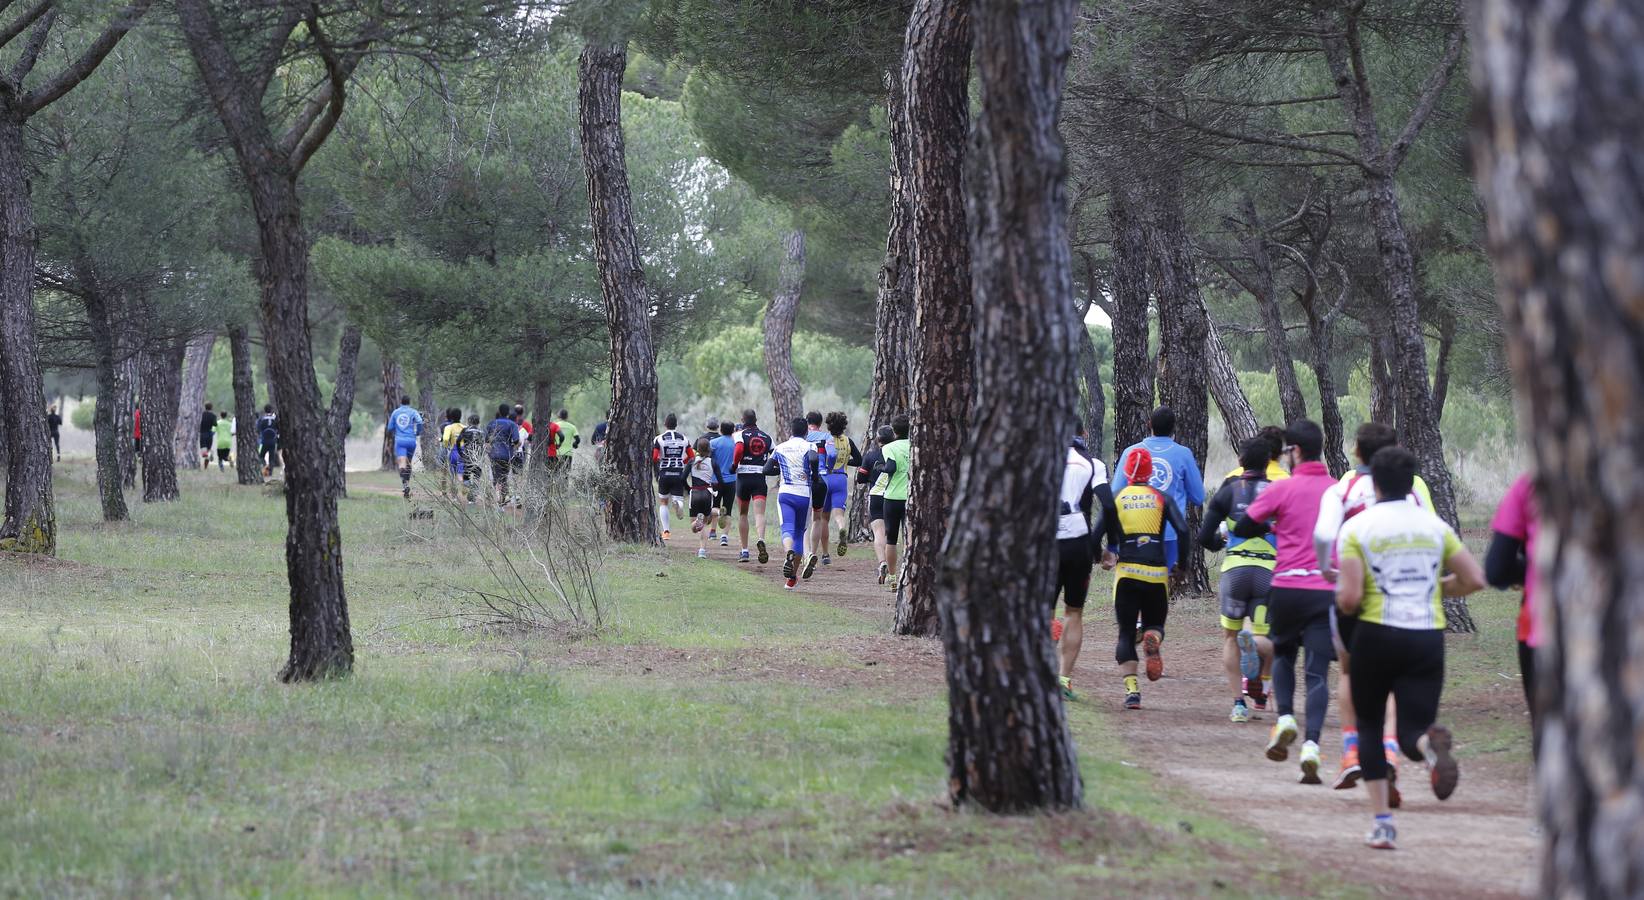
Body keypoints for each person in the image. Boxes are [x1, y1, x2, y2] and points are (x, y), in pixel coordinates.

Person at [1336, 446, 1484, 850]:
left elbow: (1349, 600)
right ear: (1413, 482)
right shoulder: (1434, 527)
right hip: (1425, 637)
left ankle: (1383, 823)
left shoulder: (1358, 528)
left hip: (1375, 634)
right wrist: (1437, 587)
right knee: (1411, 731)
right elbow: (1474, 579)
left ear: (1374, 483)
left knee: (1369, 726)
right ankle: (1427, 749)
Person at [1314, 422, 1436, 789]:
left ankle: (1351, 750)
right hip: (1402, 597)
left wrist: (1327, 569)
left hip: (1355, 593)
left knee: (1350, 673)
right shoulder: (1413, 487)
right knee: (1397, 682)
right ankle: (1388, 749)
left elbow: (1323, 533)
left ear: (1357, 452)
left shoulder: (1345, 487)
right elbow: (1431, 527)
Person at [1232, 419, 1338, 784]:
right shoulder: (1338, 491)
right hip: (1326, 591)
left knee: (1283, 653)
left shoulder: (1283, 489)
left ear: (1295, 451)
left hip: (1287, 588)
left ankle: (1286, 719)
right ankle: (1312, 747)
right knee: (1318, 673)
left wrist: (1274, 525)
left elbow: (1243, 526)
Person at [1099, 447, 1187, 710]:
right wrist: (1183, 565)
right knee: (1155, 625)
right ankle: (1153, 637)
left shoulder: (1116, 498)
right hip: (1156, 573)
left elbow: (1095, 536)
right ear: (1151, 473)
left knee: (1126, 634)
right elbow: (1182, 530)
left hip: (1127, 573)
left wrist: (1101, 556)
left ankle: (1132, 692)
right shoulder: (1162, 497)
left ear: (1126, 471)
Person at [1200, 437, 1278, 724]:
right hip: (1268, 573)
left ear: (1240, 461)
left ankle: (1238, 705)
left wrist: (1221, 542)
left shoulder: (1228, 490)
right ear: (1268, 461)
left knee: (1230, 638)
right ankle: (1259, 665)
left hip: (1235, 570)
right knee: (1265, 636)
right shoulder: (1277, 489)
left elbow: (1204, 537)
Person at [1112, 405, 1205, 572]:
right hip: (1169, 534)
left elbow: (1115, 493)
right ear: (1173, 427)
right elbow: (1198, 497)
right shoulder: (1184, 454)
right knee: (1160, 585)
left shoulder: (1130, 452)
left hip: (1132, 532)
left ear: (1149, 424)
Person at [1486, 473, 1539, 757]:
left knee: (1548, 730)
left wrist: (1535, 572)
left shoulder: (1530, 485)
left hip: (1542, 627)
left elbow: (1497, 569)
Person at [1055, 421, 1108, 700]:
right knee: (1073, 612)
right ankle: (1064, 680)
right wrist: (1100, 546)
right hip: (1078, 540)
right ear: (1084, 433)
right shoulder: (1092, 463)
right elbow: (1107, 506)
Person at [766, 417, 823, 590]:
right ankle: (792, 578)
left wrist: (781, 469)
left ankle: (788, 553)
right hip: (804, 494)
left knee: (787, 528)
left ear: (791, 430)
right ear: (806, 431)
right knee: (799, 532)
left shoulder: (780, 447)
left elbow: (766, 469)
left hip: (786, 492)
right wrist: (814, 475)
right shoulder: (810, 446)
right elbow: (813, 459)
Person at [732, 410, 774, 564]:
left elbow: (738, 450)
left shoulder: (739, 435)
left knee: (743, 514)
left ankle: (744, 551)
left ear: (743, 420)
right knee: (759, 514)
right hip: (759, 478)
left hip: (743, 477)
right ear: (756, 420)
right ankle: (761, 539)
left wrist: (734, 465)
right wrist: (769, 468)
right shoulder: (767, 437)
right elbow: (774, 454)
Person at [877, 415, 912, 591]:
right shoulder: (916, 444)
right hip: (911, 498)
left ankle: (892, 578)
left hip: (892, 498)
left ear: (894, 431)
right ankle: (911, 574)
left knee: (891, 539)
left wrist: (880, 468)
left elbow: (890, 468)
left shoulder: (889, 447)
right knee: (910, 537)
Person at [821, 412, 862, 563]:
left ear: (829, 425)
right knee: (839, 515)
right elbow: (859, 460)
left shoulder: (825, 440)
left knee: (823, 519)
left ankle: (825, 555)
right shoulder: (848, 441)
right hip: (841, 479)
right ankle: (841, 529)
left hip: (826, 478)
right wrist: (845, 462)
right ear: (844, 425)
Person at [858, 425, 895, 584]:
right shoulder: (897, 455)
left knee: (879, 533)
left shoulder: (871, 456)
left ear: (878, 440)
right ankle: (893, 573)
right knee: (891, 536)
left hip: (876, 497)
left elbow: (860, 478)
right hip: (893, 497)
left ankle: (882, 563)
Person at [652, 413, 692, 540]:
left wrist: (661, 460)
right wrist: (682, 462)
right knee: (677, 498)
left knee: (663, 502)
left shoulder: (659, 439)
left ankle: (666, 532)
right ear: (676, 424)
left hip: (664, 472)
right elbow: (691, 457)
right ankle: (678, 503)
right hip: (678, 473)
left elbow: (654, 457)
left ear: (665, 424)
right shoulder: (684, 439)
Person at [687, 436, 721, 559]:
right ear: (709, 450)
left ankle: (698, 521)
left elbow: (682, 478)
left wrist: (688, 489)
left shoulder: (691, 461)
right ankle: (702, 550)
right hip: (707, 494)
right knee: (704, 524)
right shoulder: (713, 462)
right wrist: (714, 489)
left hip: (694, 493)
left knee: (694, 527)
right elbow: (720, 481)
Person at [386, 395, 424, 499]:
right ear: (409, 402)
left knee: (402, 464)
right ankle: (407, 483)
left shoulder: (395, 412)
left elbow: (389, 428)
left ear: (401, 402)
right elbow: (420, 421)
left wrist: (394, 433)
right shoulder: (413, 412)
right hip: (411, 440)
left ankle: (405, 484)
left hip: (400, 441)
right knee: (408, 464)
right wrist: (418, 432)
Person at [710, 421, 738, 547]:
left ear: (720, 430)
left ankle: (712, 532)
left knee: (714, 506)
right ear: (733, 430)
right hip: (731, 480)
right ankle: (724, 537)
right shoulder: (735, 443)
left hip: (715, 480)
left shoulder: (714, 443)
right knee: (728, 509)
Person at [485, 404, 521, 504]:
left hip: (494, 454)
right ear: (508, 413)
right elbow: (516, 439)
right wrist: (513, 447)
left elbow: (486, 440)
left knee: (495, 476)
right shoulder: (512, 424)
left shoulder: (491, 423)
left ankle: (495, 500)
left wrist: (489, 452)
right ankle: (501, 501)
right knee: (504, 477)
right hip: (506, 455)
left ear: (499, 412)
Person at [440, 408, 465, 497]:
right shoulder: (464, 427)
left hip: (453, 451)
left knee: (452, 475)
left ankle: (454, 496)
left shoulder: (448, 427)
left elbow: (446, 439)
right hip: (462, 452)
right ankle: (464, 491)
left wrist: (446, 446)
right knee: (460, 474)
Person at [551, 408, 579, 479]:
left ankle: (556, 489)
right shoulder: (572, 427)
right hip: (568, 453)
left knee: (555, 474)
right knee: (566, 475)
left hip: (556, 453)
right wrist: (575, 444)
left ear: (558, 416)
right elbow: (578, 439)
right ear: (567, 417)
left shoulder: (554, 425)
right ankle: (564, 489)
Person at [254, 405, 278, 478]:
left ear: (265, 410)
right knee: (271, 457)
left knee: (261, 456)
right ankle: (270, 472)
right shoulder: (275, 419)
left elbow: (258, 429)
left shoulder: (262, 419)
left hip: (264, 441)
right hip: (273, 441)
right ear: (271, 410)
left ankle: (265, 466)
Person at [198, 403, 219, 468]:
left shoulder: (201, 415)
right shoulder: (213, 416)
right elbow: (215, 424)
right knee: (208, 449)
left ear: (205, 407)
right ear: (211, 408)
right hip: (210, 434)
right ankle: (205, 467)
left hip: (203, 434)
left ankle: (208, 455)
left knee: (204, 452)